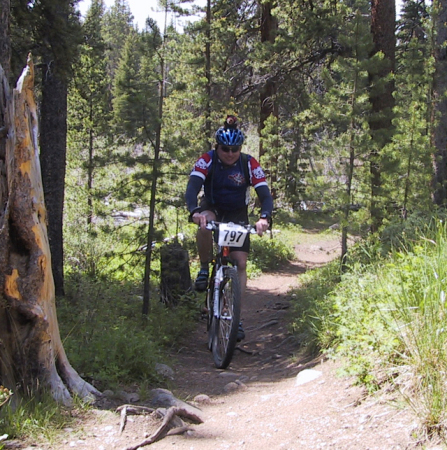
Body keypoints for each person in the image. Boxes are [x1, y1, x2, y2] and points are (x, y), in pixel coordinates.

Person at [185, 115, 273, 340]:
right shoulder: (207, 159)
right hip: (212, 206)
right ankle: (205, 268)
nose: (230, 153)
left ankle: (235, 315)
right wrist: (194, 211)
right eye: (225, 149)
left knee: (241, 262)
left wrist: (264, 218)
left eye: (235, 149)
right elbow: (192, 186)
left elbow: (265, 194)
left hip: (236, 213)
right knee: (205, 224)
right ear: (218, 147)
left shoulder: (249, 163)